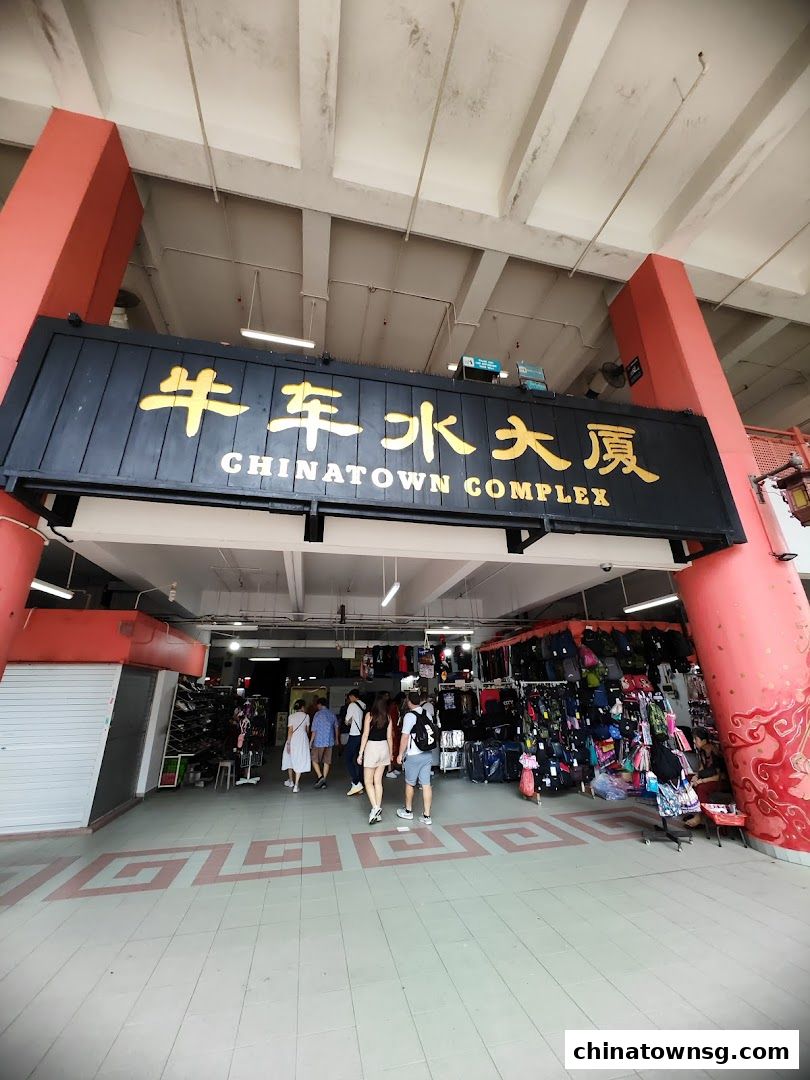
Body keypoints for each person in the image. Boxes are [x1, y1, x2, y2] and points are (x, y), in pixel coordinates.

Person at [396, 690, 437, 825]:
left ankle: (408, 812)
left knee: (410, 783)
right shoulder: (427, 714)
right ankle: (427, 816)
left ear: (409, 702)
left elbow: (405, 737)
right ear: (419, 701)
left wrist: (400, 754)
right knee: (426, 785)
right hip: (427, 754)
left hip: (413, 755)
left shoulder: (409, 716)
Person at [683, 726, 728, 828]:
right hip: (708, 777)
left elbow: (718, 776)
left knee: (701, 788)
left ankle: (701, 816)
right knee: (686, 779)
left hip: (719, 780)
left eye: (696, 739)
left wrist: (701, 781)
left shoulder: (714, 753)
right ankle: (693, 809)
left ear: (704, 740)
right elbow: (702, 768)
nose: (694, 741)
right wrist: (696, 776)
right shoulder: (702, 751)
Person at [358, 693, 393, 824]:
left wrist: (360, 753)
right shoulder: (388, 717)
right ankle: (377, 811)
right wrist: (390, 754)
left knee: (368, 781)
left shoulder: (369, 715)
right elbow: (390, 737)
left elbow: (365, 734)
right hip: (384, 747)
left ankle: (375, 807)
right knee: (378, 781)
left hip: (372, 747)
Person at [281, 699, 311, 793]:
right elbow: (307, 730)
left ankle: (291, 781)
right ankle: (296, 785)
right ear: (302, 707)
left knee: (290, 758)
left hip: (293, 739)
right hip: (302, 740)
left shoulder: (291, 716)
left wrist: (289, 743)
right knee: (300, 759)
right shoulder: (306, 716)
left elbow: (290, 731)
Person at [310, 698, 340, 789]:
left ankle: (320, 777)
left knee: (314, 759)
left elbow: (314, 729)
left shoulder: (318, 714)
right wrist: (337, 739)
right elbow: (336, 727)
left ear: (319, 704)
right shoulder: (332, 714)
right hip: (329, 741)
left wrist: (311, 741)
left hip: (319, 741)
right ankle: (324, 780)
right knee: (327, 761)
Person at [344, 689, 366, 796]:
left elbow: (347, 721)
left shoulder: (352, 705)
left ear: (352, 696)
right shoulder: (364, 705)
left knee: (348, 759)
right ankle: (361, 783)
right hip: (362, 735)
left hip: (354, 735)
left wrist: (349, 720)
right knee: (360, 760)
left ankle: (356, 782)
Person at [386, 693, 403, 779]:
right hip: (393, 731)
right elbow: (392, 720)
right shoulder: (393, 707)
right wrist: (392, 731)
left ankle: (393, 767)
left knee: (394, 750)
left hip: (395, 731)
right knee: (392, 750)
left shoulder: (394, 706)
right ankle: (390, 770)